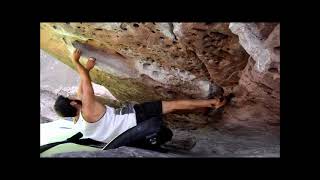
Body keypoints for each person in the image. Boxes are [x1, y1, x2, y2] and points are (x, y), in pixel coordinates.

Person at [54, 49, 227, 145]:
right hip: (134, 117)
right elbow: (86, 83)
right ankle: (212, 102)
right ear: (72, 103)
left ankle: (175, 138)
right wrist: (76, 62)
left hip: (130, 134)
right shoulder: (88, 108)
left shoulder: (78, 121)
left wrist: (89, 68)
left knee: (168, 111)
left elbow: (80, 93)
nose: (73, 96)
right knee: (171, 105)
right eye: (69, 97)